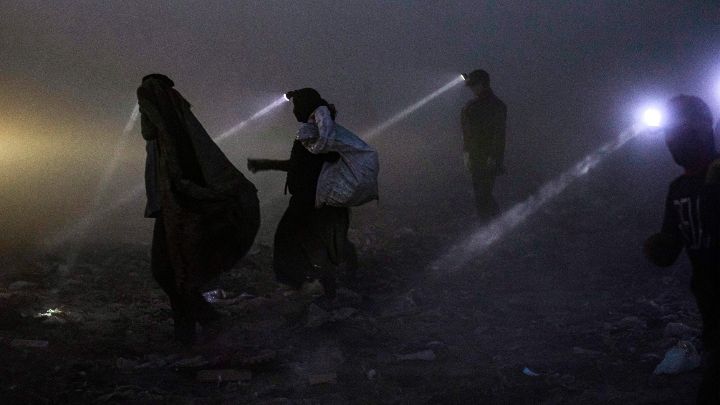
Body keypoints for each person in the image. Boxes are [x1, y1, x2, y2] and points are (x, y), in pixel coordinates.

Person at [138, 74, 260, 344]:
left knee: (167, 271)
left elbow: (184, 177)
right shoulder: (164, 137)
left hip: (180, 211)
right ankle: (187, 333)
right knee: (173, 273)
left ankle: (206, 320)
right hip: (171, 209)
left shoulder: (173, 136)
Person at [643, 95, 719, 404]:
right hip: (709, 298)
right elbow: (670, 248)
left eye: (679, 132)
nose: (672, 141)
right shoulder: (678, 188)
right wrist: (657, 247)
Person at [247, 88, 357, 300]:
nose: (294, 111)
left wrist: (265, 164)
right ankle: (332, 279)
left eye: (297, 106)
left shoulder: (315, 133)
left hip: (311, 198)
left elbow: (301, 166)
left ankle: (320, 288)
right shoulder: (319, 130)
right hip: (317, 197)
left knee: (293, 240)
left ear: (308, 107)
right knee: (318, 240)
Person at [461, 69, 507, 220]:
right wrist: (467, 153)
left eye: (475, 85)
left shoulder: (494, 106)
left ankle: (492, 224)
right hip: (477, 156)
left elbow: (498, 134)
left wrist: (493, 156)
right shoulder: (476, 106)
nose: (473, 89)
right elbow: (467, 133)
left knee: (483, 195)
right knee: (481, 194)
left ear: (483, 84)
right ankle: (494, 224)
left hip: (486, 156)